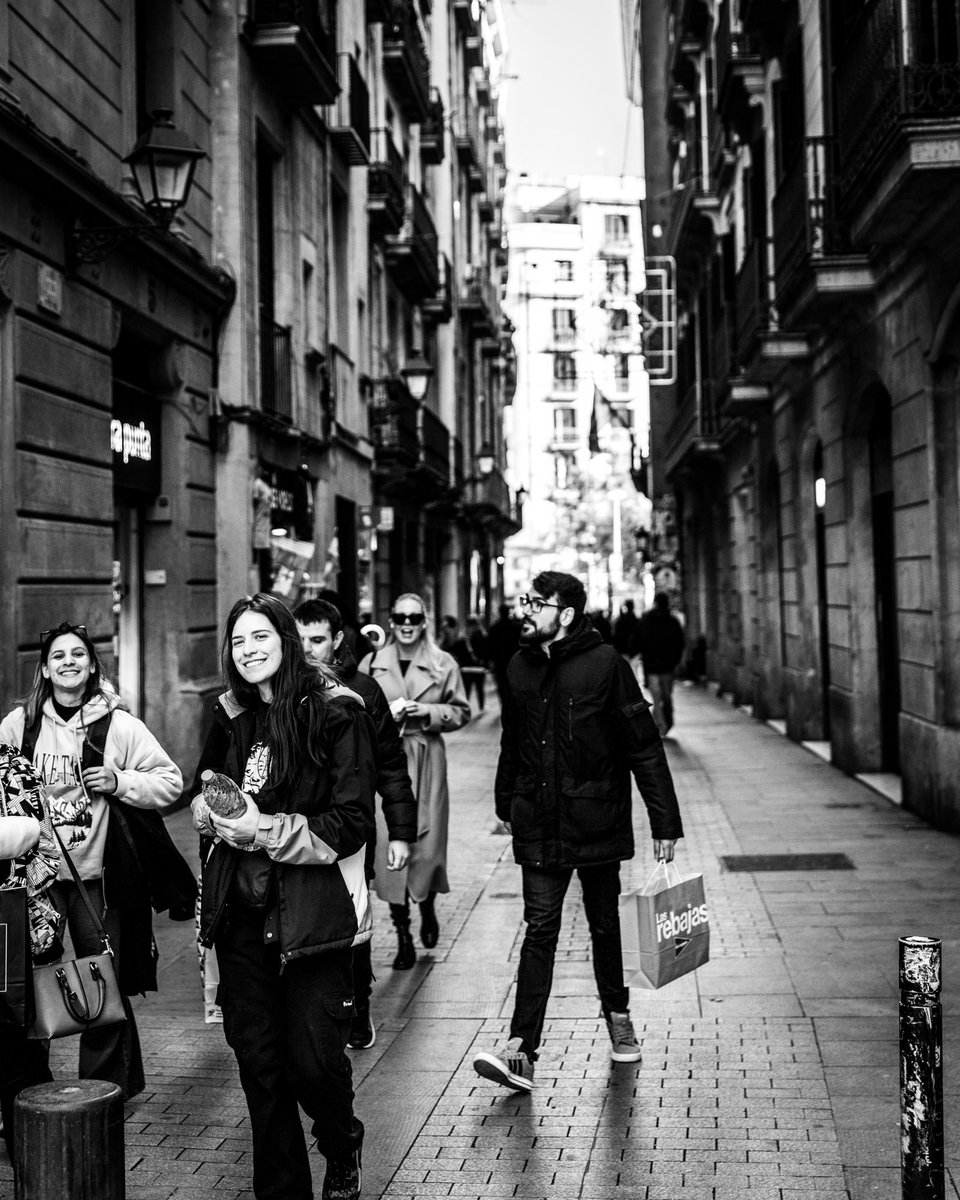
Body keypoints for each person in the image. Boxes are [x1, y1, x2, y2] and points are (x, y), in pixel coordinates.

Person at [190, 593, 377, 1200]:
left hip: (310, 920)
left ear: (287, 640)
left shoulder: (337, 713)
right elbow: (208, 783)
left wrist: (264, 830)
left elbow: (350, 823)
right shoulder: (228, 714)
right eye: (238, 641)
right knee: (260, 1069)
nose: (247, 651)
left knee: (313, 1065)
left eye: (260, 637)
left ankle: (342, 1145)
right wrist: (205, 808)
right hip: (241, 916)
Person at [473, 571, 683, 1092]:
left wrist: (665, 821)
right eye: (526, 601)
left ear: (565, 615)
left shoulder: (606, 666)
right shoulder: (519, 666)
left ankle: (617, 1016)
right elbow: (511, 740)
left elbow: (642, 745)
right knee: (539, 928)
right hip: (538, 823)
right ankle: (522, 1048)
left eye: (537, 604)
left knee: (604, 927)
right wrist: (506, 802)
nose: (526, 610)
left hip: (595, 821)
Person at [0, 622, 191, 1103]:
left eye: (78, 654)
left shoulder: (119, 725)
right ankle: (26, 1090)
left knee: (101, 981)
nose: (68, 661)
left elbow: (170, 781)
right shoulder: (18, 725)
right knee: (25, 985)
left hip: (96, 881)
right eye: (58, 655)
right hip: (34, 882)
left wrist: (121, 780)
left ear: (91, 665)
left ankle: (104, 1088)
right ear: (45, 668)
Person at [293, 597, 417, 1050]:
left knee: (352, 924)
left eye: (317, 640)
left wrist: (401, 831)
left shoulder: (362, 691)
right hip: (296, 833)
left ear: (338, 640)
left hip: (350, 834)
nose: (307, 649)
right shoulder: (281, 688)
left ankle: (357, 1010)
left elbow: (391, 766)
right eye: (300, 638)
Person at [359, 594, 469, 969]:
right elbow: (354, 712)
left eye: (415, 617)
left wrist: (428, 711)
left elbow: (460, 712)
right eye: (400, 616)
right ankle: (402, 932)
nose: (407, 623)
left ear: (425, 621)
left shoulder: (443, 663)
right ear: (391, 620)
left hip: (427, 760)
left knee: (427, 846)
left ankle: (428, 906)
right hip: (386, 765)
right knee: (390, 845)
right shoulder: (372, 663)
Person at [0, 743, 61, 1171]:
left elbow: (44, 845)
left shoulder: (10, 763)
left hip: (8, 931)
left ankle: (37, 1164)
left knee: (16, 1050)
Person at [632, 592, 686, 735]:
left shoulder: (646, 621)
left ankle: (660, 725)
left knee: (656, 697)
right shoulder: (673, 621)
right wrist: (676, 660)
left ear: (655, 603)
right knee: (667, 696)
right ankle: (666, 722)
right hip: (668, 666)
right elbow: (680, 643)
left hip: (651, 666)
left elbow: (637, 640)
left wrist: (640, 654)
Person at [438, 615, 485, 714]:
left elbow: (454, 650)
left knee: (466, 689)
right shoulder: (482, 635)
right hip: (479, 668)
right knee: (480, 688)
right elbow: (487, 651)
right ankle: (481, 708)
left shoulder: (463, 638)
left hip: (465, 668)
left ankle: (465, 708)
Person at [487, 602, 522, 712]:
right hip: (513, 660)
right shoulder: (516, 627)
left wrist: (491, 660)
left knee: (502, 685)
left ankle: (505, 705)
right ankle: (511, 704)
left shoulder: (494, 628)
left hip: (500, 661)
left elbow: (490, 646)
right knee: (512, 685)